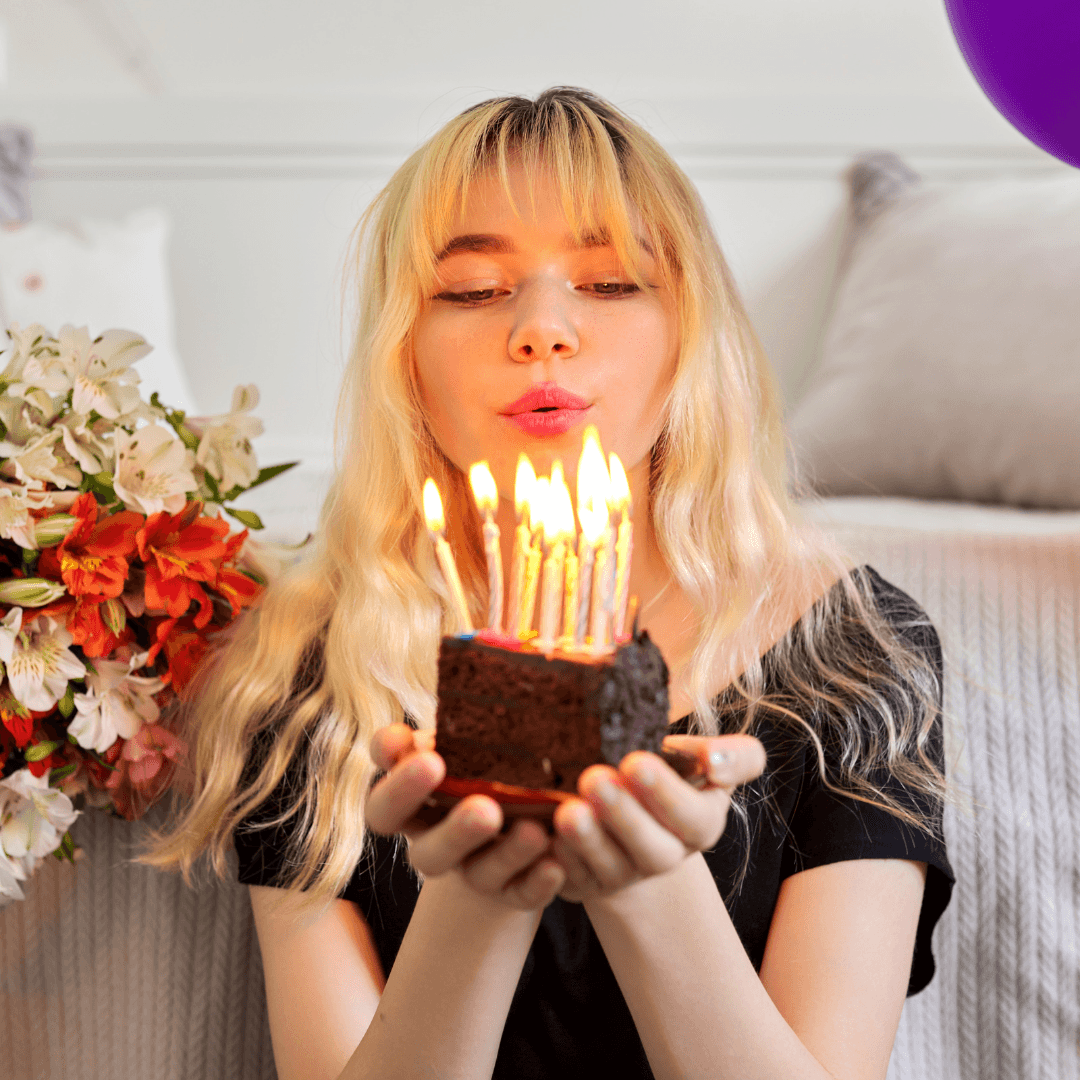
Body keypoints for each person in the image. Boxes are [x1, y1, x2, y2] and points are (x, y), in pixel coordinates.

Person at [148, 87, 956, 1080]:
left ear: (689, 332)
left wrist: (649, 878)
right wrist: (482, 885)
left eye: (612, 282)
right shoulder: (318, 665)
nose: (541, 328)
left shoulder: (852, 649)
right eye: (474, 289)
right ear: (405, 354)